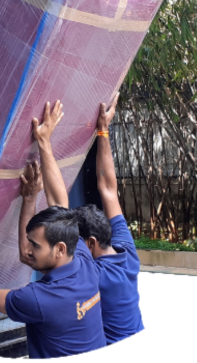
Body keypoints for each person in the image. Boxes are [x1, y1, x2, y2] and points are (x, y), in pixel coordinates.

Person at [0, 101, 106, 359]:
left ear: (60, 249)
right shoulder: (82, 260)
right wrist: (44, 144)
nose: (28, 250)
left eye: (36, 246)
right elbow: (60, 204)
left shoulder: (40, 299)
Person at [71, 94, 145, 344]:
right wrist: (102, 131)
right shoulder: (125, 252)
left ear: (90, 243)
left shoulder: (93, 275)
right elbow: (108, 189)